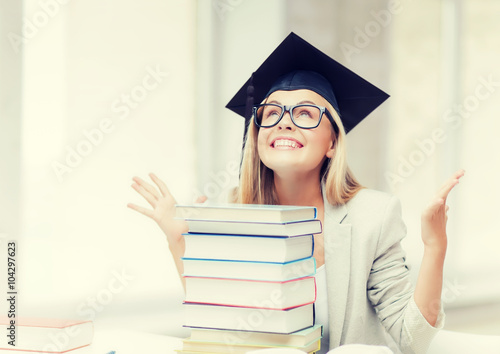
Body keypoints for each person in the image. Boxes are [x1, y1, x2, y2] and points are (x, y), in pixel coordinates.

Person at [127, 33, 465, 354]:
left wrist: (435, 247)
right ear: (257, 136)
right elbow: (227, 329)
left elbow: (414, 339)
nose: (284, 123)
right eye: (271, 113)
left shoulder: (372, 217)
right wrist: (178, 241)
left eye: (305, 113)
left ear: (332, 143)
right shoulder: (235, 212)